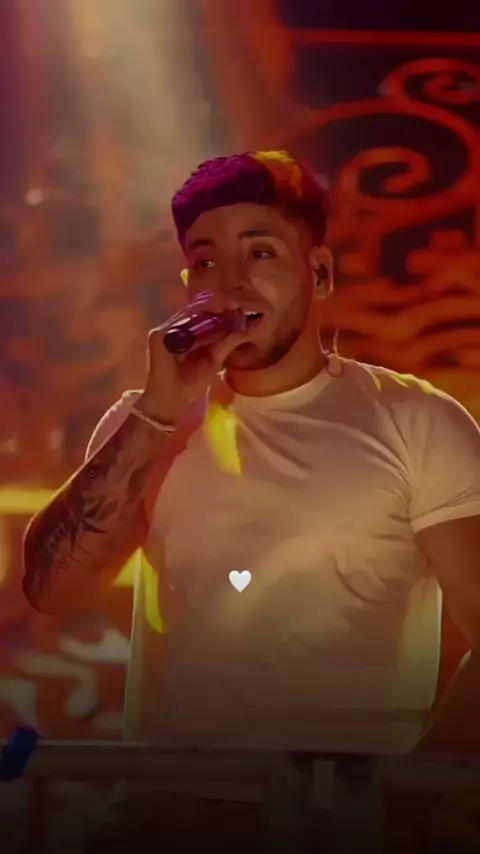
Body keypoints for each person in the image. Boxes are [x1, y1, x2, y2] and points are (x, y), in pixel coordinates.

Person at [22, 150, 480, 849]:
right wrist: (158, 414)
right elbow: (52, 590)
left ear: (318, 274)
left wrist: (411, 796)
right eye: (205, 261)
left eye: (259, 252)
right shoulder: (145, 422)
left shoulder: (416, 421)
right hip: (159, 813)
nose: (230, 281)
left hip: (336, 822)